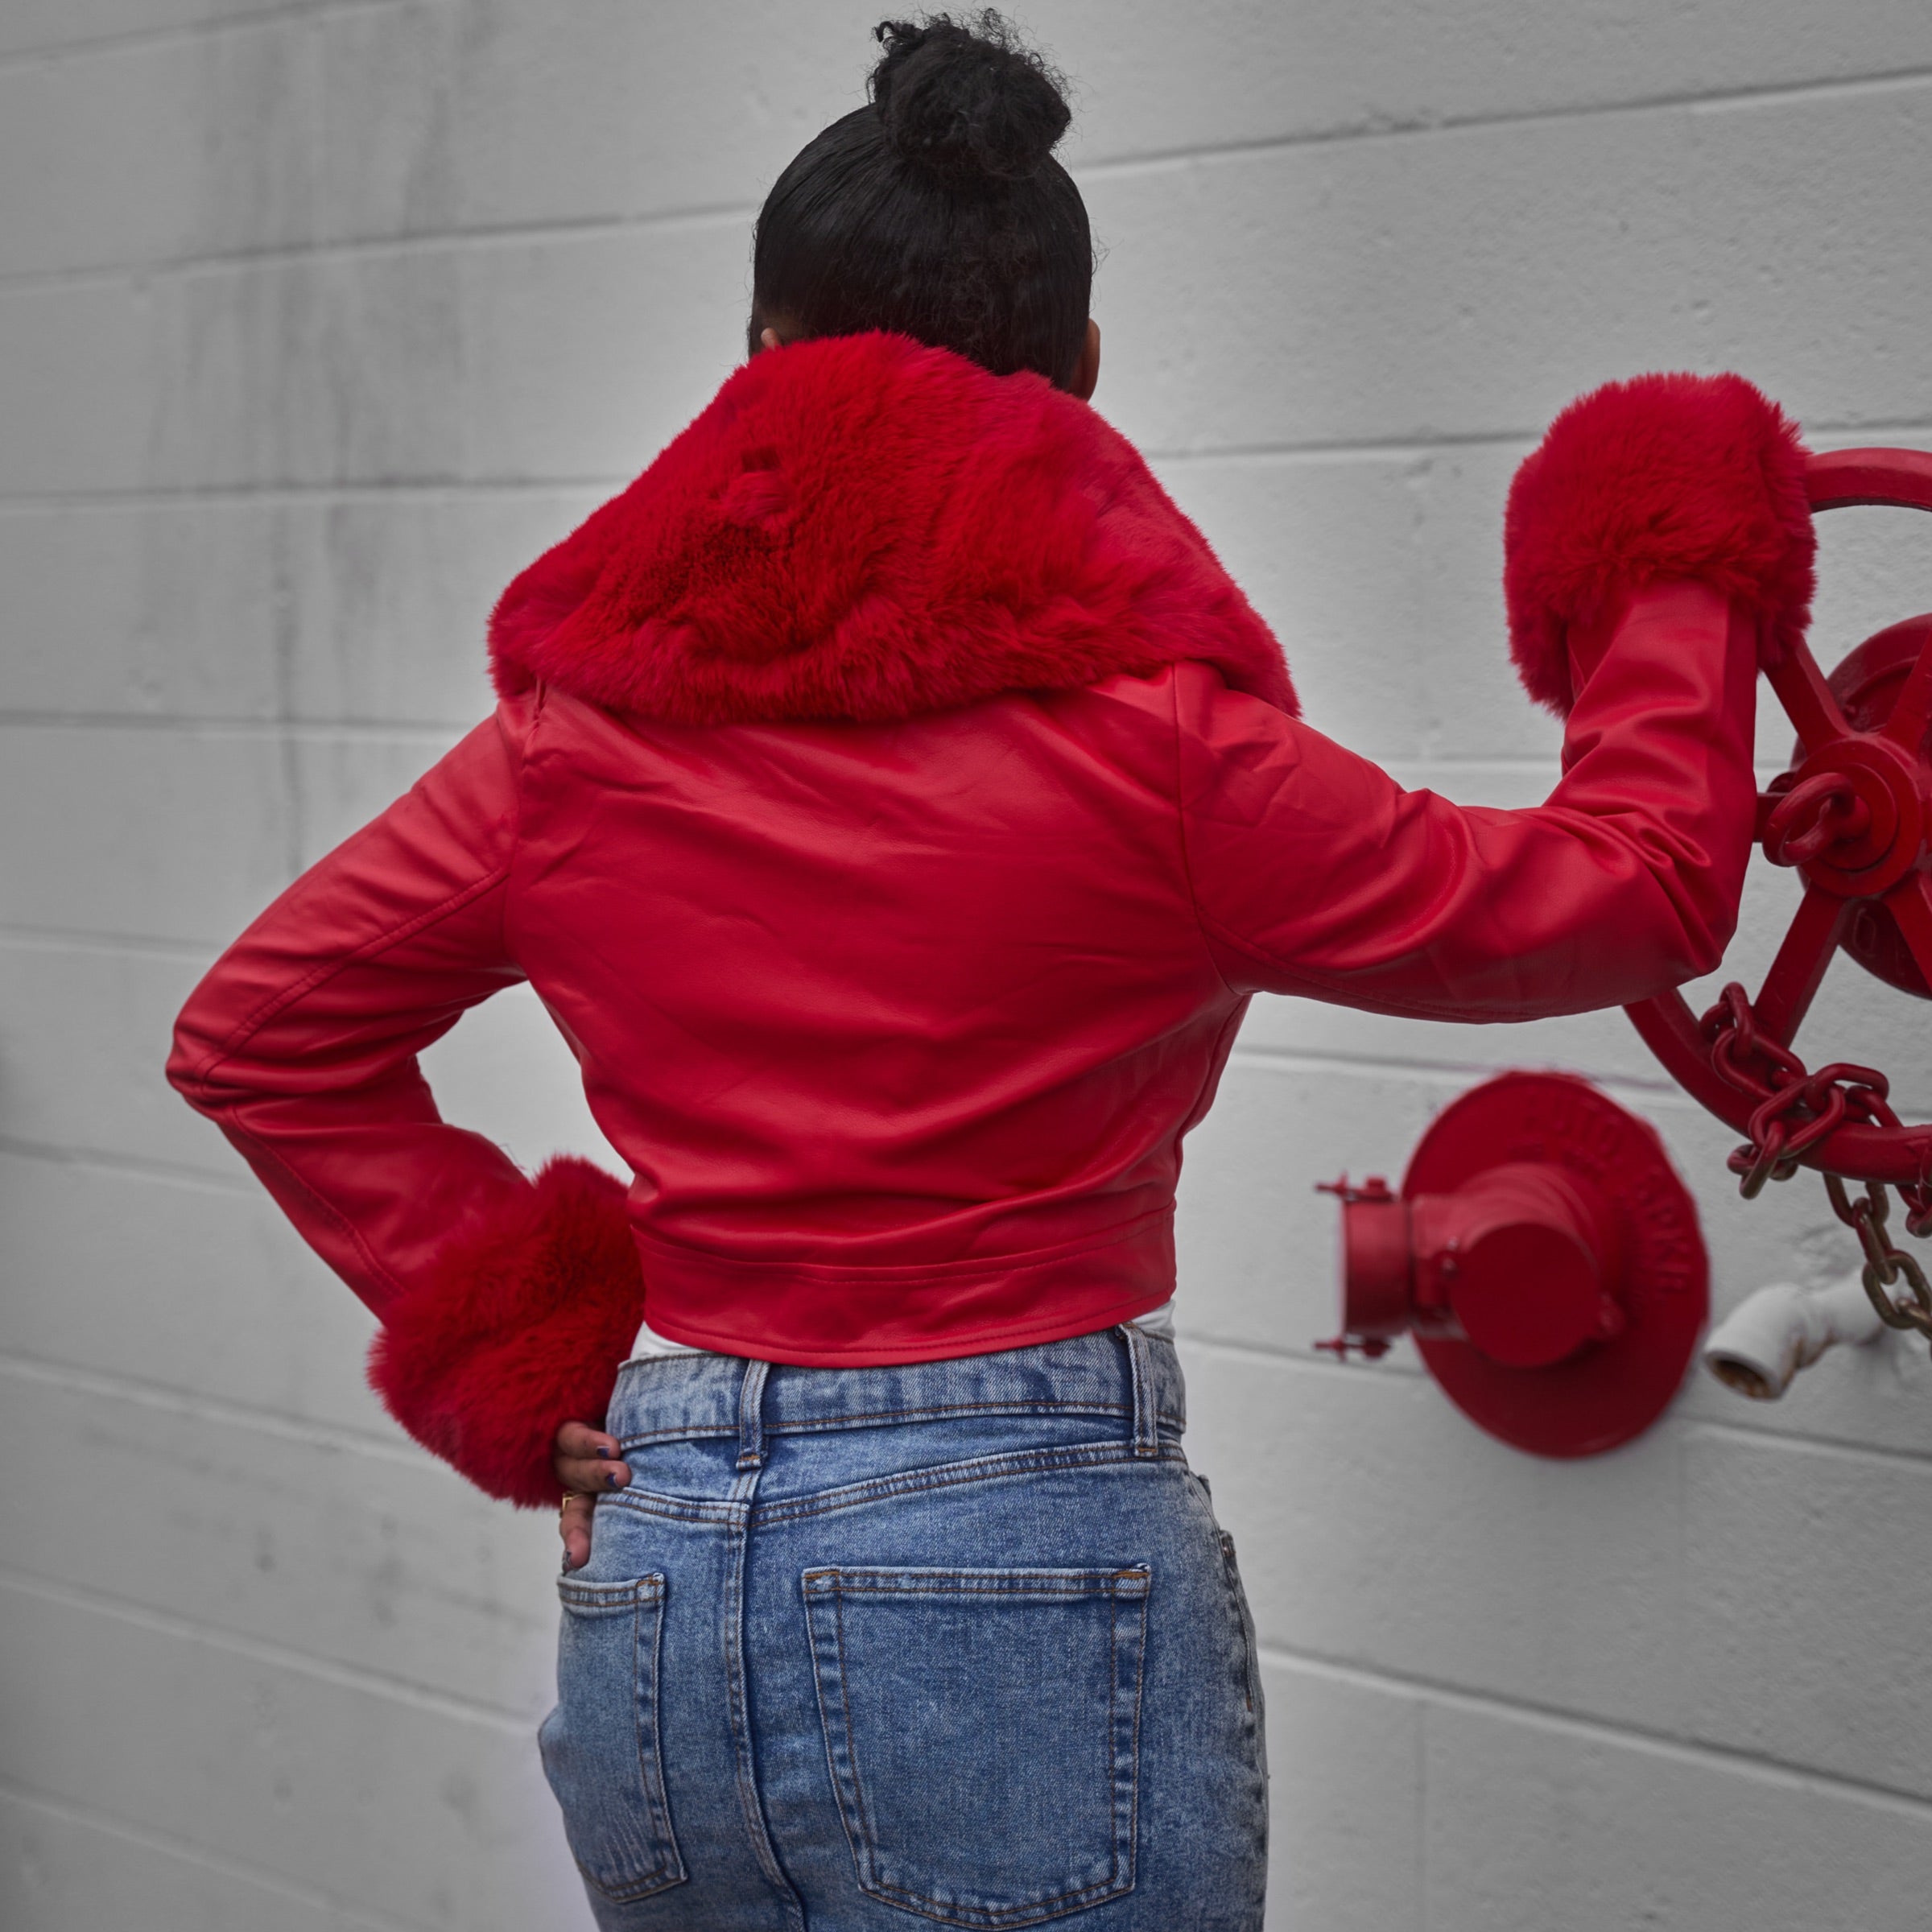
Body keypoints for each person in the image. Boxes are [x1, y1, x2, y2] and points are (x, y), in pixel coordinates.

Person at [167, 12, 1812, 1929]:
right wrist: (1671, 555)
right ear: (1081, 378)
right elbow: (1637, 891)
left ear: (760, 363)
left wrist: (531, 1354)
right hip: (1015, 1531)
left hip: (665, 1551)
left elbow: (260, 1038)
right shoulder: (1165, 757)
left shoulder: (562, 754)